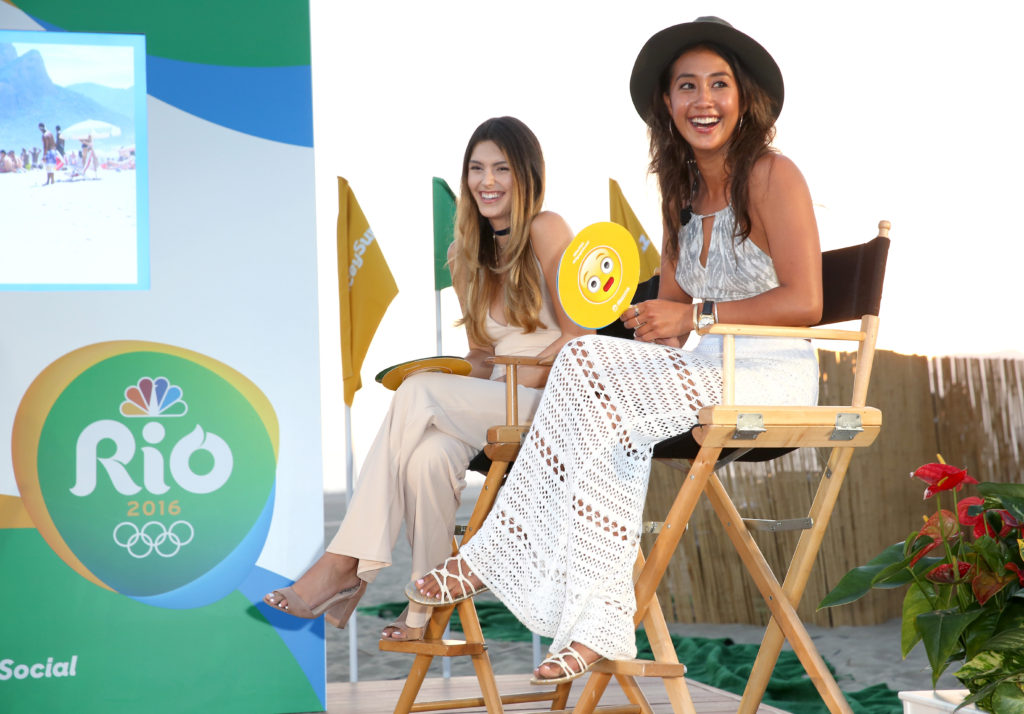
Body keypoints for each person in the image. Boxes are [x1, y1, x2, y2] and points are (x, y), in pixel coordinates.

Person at [408, 16, 822, 684]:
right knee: (586, 374)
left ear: (743, 97)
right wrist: (650, 317)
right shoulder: (679, 191)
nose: (703, 100)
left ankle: (495, 552)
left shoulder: (775, 175)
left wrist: (692, 316)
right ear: (667, 102)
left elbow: (806, 302)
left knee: (594, 389)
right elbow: (675, 312)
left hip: (769, 371)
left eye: (718, 84)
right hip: (698, 371)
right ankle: (597, 628)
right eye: (686, 86)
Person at [263, 116, 591, 641]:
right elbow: (482, 358)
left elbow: (580, 339)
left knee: (420, 396)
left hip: (551, 405)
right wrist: (449, 372)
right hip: (497, 400)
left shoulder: (547, 229)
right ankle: (424, 612)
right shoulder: (466, 255)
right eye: (476, 168)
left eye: (501, 169)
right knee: (425, 458)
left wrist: (494, 377)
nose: (487, 181)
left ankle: (345, 564)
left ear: (526, 175)